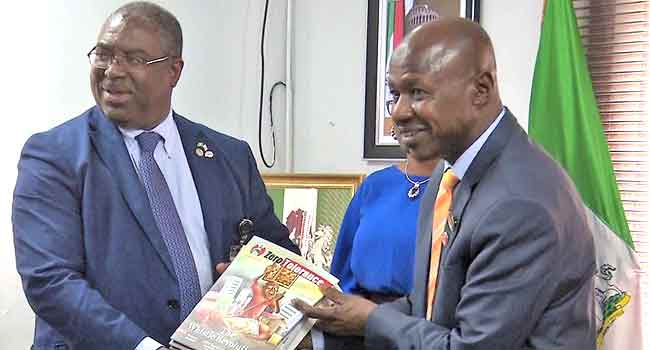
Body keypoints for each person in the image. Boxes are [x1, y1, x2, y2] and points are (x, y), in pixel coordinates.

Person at [295, 18, 596, 349]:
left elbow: (466, 346)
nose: (399, 112)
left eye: (418, 92)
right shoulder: (449, 173)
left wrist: (370, 319)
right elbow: (429, 309)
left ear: (481, 90)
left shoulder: (519, 203)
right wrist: (317, 335)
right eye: (394, 94)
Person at [12, 2, 297, 350]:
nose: (112, 71)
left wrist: (252, 278)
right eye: (103, 54)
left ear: (174, 71)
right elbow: (50, 281)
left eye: (134, 59)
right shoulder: (55, 156)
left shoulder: (229, 157)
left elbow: (279, 256)